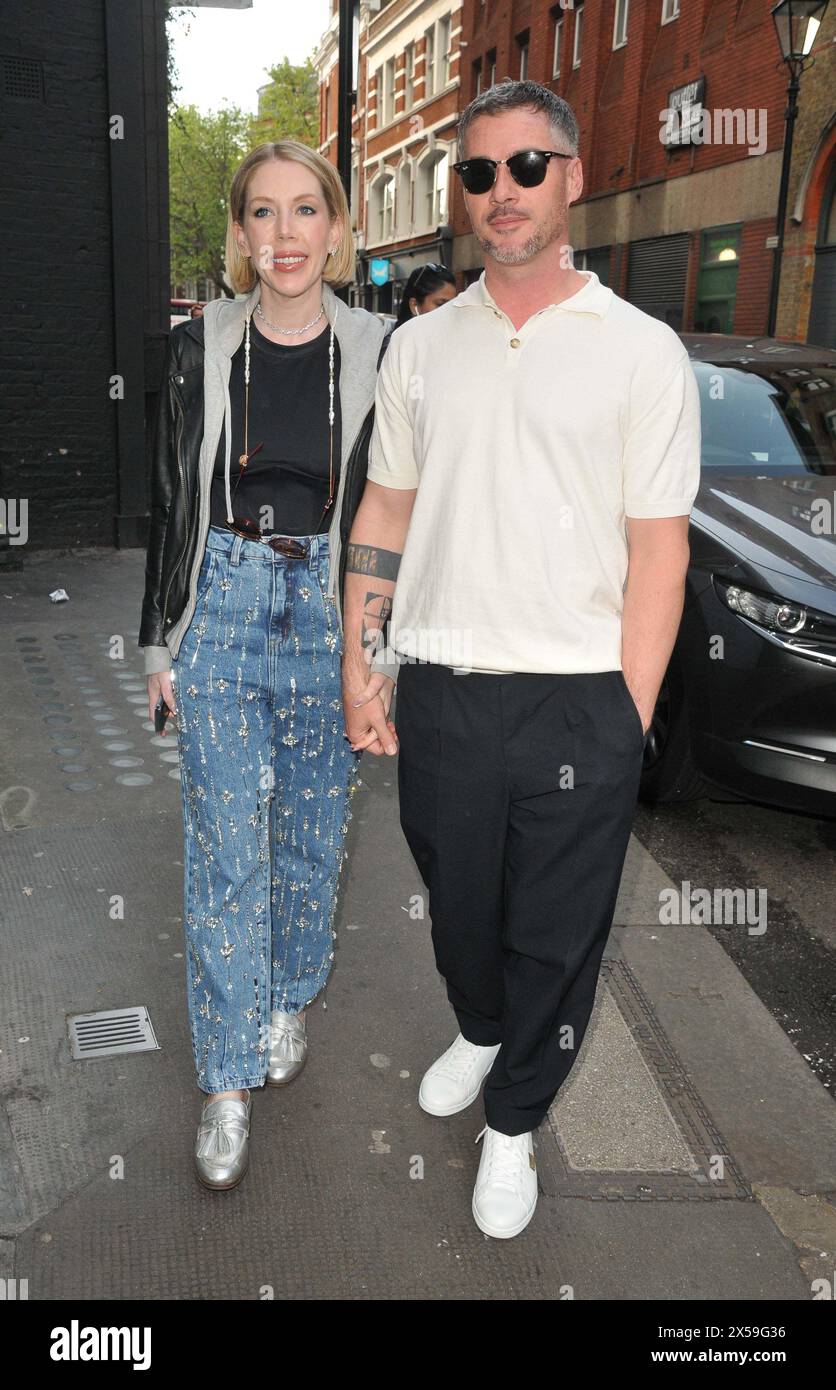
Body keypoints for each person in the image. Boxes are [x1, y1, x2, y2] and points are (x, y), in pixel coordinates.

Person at [340, 80, 701, 1238]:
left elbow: (658, 550)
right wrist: (364, 657)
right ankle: (482, 1024)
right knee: (458, 912)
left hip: (575, 697)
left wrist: (624, 719)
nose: (502, 192)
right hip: (440, 683)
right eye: (479, 172)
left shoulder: (640, 352)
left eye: (526, 167)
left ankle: (511, 1123)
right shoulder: (419, 344)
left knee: (554, 928)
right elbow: (384, 508)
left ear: (571, 177)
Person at [140, 140, 394, 1191]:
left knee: (309, 843)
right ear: (240, 234)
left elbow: (395, 513)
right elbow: (171, 502)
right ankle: (227, 1080)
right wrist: (160, 639)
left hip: (329, 603)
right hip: (226, 604)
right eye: (262, 214)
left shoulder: (384, 349)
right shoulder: (201, 346)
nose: (284, 236)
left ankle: (288, 994)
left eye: (304, 212)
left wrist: (370, 653)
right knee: (223, 851)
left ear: (335, 227)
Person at [393, 262, 457, 328]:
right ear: (414, 305)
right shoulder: (396, 337)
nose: (448, 312)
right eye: (440, 304)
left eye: (451, 305)